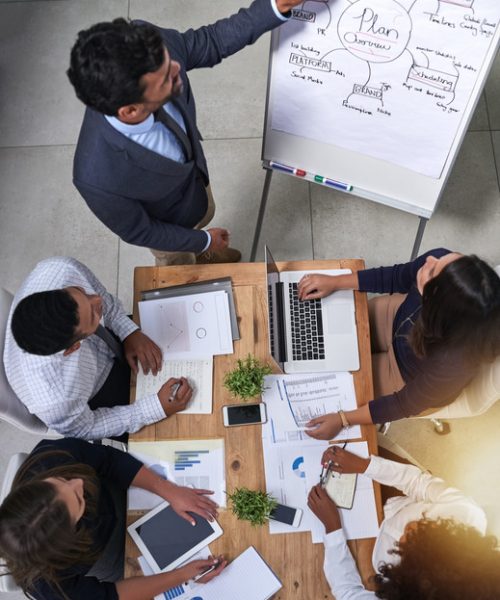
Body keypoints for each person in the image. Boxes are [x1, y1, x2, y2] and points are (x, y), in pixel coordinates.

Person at [67, 0, 302, 266]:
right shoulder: (96, 178)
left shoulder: (149, 47)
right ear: (130, 111)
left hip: (196, 189)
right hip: (170, 230)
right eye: (166, 77)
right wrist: (203, 241)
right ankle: (201, 255)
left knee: (206, 214)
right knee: (180, 267)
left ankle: (208, 253)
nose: (178, 68)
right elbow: (141, 230)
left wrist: (274, 6)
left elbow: (210, 41)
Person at [297, 248, 500, 439]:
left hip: (405, 376)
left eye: (432, 271)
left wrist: (343, 419)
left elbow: (403, 404)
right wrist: (336, 282)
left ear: (436, 307)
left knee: (340, 387)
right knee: (324, 340)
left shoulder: (454, 364)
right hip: (398, 318)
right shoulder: (440, 259)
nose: (430, 260)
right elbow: (396, 276)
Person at [0, 437, 226, 600]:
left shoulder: (49, 459)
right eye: (79, 500)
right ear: (68, 541)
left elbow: (108, 461)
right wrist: (181, 576)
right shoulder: (49, 587)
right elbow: (111, 596)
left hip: (124, 489)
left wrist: (167, 489)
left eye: (60, 480)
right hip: (109, 556)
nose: (78, 482)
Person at [3, 257, 192, 440]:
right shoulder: (56, 400)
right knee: (183, 426)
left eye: (81, 292)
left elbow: (106, 305)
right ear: (72, 348)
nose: (97, 300)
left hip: (107, 339)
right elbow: (88, 427)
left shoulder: (60, 269)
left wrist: (129, 332)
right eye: (93, 316)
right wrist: (156, 407)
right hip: (99, 389)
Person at [308, 445, 500, 599]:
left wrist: (332, 528)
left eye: (408, 544)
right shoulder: (467, 513)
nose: (411, 525)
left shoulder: (407, 590)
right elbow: (417, 483)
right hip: (392, 499)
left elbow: (348, 593)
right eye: (429, 525)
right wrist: (364, 466)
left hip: (367, 553)